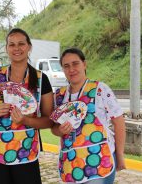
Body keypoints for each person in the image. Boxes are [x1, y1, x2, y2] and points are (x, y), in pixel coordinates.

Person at [0, 28, 54, 184]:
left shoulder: (40, 79)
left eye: (21, 44)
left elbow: (49, 120)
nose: (16, 48)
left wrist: (26, 121)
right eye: (11, 44)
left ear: (29, 47)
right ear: (6, 49)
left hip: (25, 152)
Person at [51, 48, 126, 184]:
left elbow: (119, 122)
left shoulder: (100, 89)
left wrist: (120, 155)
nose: (71, 69)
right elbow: (54, 128)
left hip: (98, 162)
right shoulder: (59, 96)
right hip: (71, 163)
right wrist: (60, 130)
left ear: (84, 64)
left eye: (75, 64)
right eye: (66, 66)